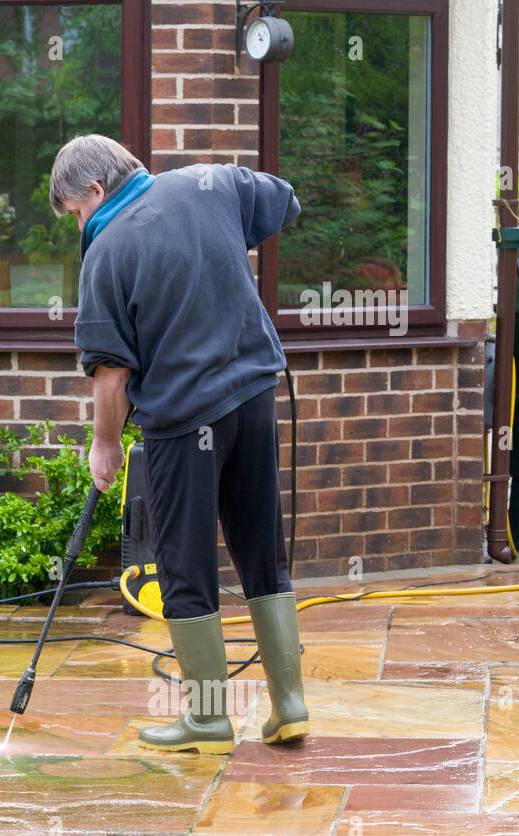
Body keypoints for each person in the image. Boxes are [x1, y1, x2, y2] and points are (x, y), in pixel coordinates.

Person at [49, 134, 308, 755]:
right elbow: (285, 203)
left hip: (183, 421)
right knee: (261, 549)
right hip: (253, 397)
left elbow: (110, 373)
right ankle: (291, 706)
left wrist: (104, 446)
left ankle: (208, 719)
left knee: (185, 564)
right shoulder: (208, 184)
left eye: (75, 214)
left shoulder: (106, 253)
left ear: (96, 191)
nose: (80, 227)